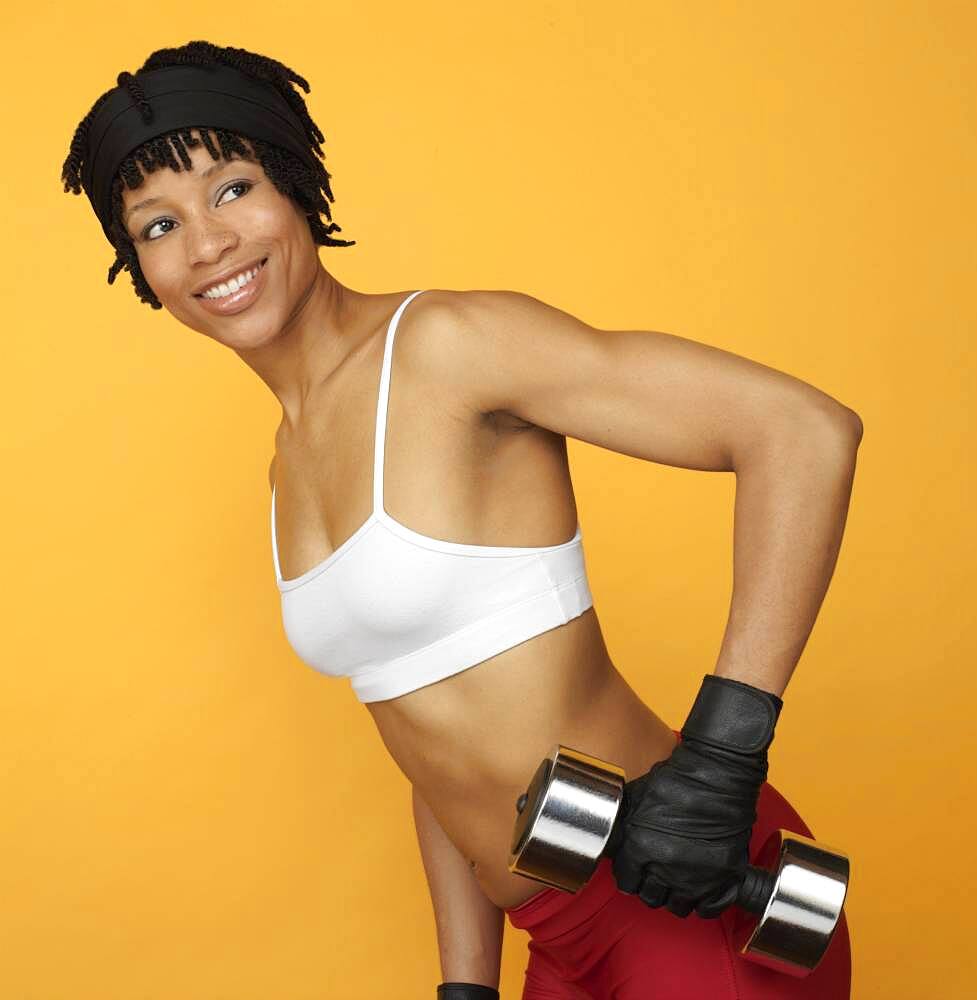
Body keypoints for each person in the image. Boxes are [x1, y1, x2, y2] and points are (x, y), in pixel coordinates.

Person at [62, 40, 861, 1000]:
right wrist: (466, 986)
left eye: (232, 189)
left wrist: (723, 762)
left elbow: (802, 432)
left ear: (297, 188)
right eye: (157, 225)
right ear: (139, 270)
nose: (207, 245)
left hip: (684, 897)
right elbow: (433, 743)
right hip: (556, 939)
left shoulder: (444, 348)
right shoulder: (287, 467)